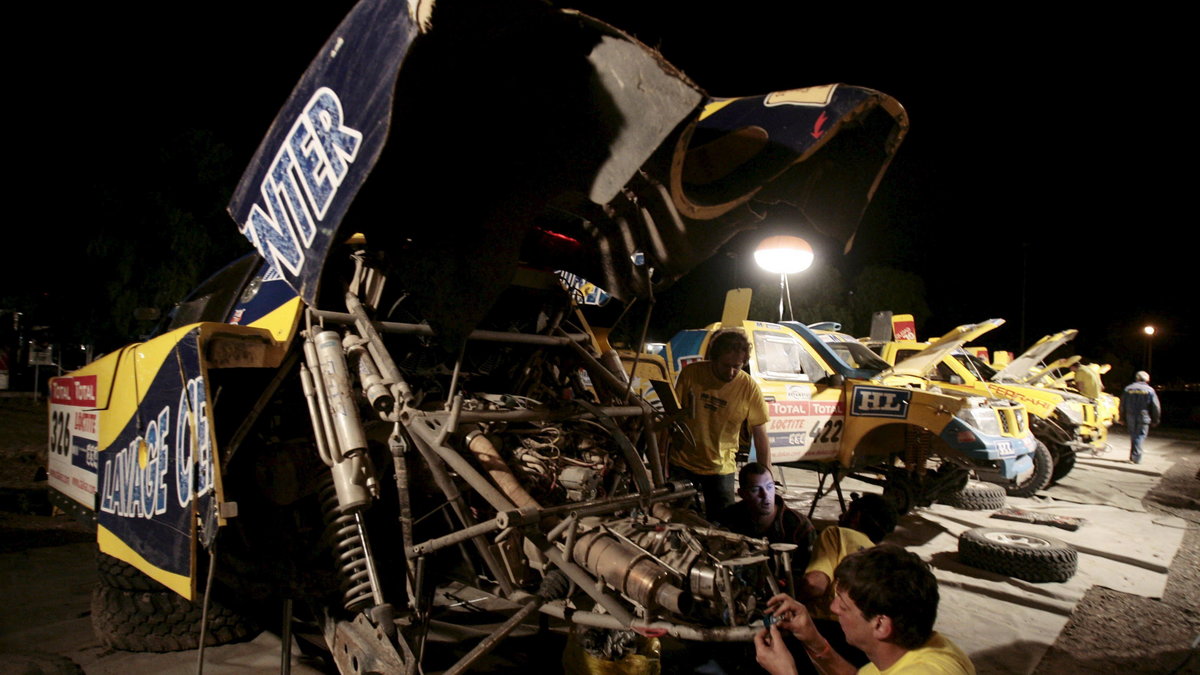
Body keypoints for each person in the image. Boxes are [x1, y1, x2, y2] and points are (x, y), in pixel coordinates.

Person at [753, 545, 975, 675]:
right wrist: (813, 639)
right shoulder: (908, 654)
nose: (833, 607)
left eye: (843, 604)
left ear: (880, 625)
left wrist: (786, 673)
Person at [672, 330, 771, 519]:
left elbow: (760, 434)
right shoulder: (691, 374)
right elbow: (673, 416)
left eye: (737, 366)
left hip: (721, 468)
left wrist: (767, 478)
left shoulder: (749, 388)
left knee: (725, 524)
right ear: (712, 358)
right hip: (683, 463)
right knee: (676, 518)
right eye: (726, 365)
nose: (731, 372)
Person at [718, 462, 816, 585]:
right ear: (742, 493)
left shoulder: (799, 527)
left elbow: (811, 576)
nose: (765, 496)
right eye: (755, 490)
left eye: (769, 487)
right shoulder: (729, 518)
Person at [1120, 371, 1161, 464]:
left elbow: (1122, 404)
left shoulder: (1128, 389)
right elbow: (1156, 407)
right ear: (1147, 380)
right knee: (1140, 436)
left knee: (1134, 436)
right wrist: (1156, 419)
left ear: (1137, 378)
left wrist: (1121, 418)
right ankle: (1136, 458)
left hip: (1130, 416)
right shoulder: (1150, 390)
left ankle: (1132, 457)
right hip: (1143, 415)